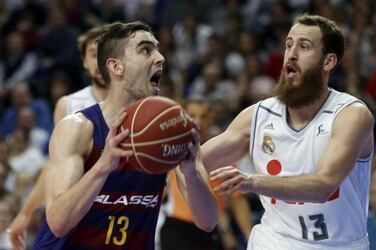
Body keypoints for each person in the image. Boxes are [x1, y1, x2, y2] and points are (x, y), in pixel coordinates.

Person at [32, 21, 217, 249]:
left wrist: (190, 171)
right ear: (116, 67)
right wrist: (102, 166)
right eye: (146, 50)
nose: (160, 58)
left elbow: (208, 221)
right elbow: (59, 222)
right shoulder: (79, 128)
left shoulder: (171, 131)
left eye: (157, 49)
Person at [202, 14, 374, 249]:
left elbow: (323, 186)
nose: (291, 54)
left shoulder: (350, 115)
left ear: (328, 62)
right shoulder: (258, 116)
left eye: (304, 47)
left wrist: (252, 181)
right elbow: (195, 161)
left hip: (339, 244)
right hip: (274, 240)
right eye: (289, 44)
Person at [7, 25, 111, 250]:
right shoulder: (69, 105)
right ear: (83, 61)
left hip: (116, 209)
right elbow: (54, 169)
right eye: (94, 54)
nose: (100, 60)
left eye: (106, 53)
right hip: (73, 210)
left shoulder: (139, 107)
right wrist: (26, 212)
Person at [160, 97, 252, 250]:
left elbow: (237, 200)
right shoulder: (172, 150)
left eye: (203, 116)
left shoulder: (224, 153)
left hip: (209, 231)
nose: (198, 122)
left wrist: (249, 236)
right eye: (192, 116)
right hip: (177, 229)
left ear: (211, 118)